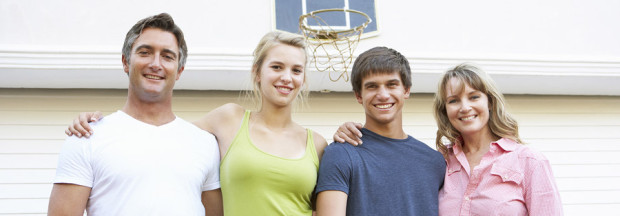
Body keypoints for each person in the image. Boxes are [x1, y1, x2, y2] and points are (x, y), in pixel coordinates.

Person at [65, 31, 328, 216]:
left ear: (303, 79)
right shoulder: (229, 119)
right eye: (277, 67)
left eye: (296, 70)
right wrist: (98, 122)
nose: (286, 77)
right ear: (257, 73)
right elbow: (162, 131)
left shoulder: (317, 144)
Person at [48, 13, 222, 216]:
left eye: (167, 56)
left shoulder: (205, 143)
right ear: (125, 62)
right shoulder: (87, 137)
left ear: (180, 70)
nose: (156, 64)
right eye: (145, 52)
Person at [334, 63, 564, 215]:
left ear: (490, 103)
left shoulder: (529, 162)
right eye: (454, 100)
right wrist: (352, 132)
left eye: (474, 97)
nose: (465, 108)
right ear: (445, 110)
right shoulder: (440, 162)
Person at [315, 46, 446, 216]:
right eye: (372, 86)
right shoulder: (340, 154)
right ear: (358, 95)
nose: (383, 95)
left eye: (391, 85)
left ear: (406, 90)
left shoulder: (435, 162)